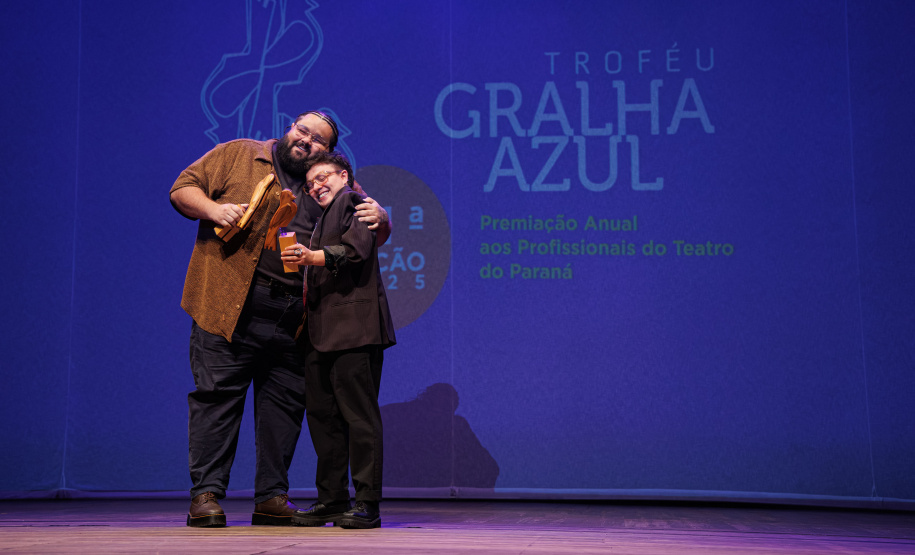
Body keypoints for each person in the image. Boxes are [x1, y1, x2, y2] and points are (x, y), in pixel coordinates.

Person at [170, 111, 390, 528]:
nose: (306, 141)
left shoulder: (329, 179)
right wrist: (214, 210)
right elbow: (182, 189)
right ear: (289, 128)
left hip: (296, 315)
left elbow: (370, 226)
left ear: (329, 152)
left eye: (318, 140)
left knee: (284, 407)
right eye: (302, 130)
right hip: (229, 305)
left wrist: (384, 218)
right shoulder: (240, 154)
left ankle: (271, 496)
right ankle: (206, 495)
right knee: (217, 399)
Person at [280, 151, 395, 529]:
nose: (316, 186)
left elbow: (358, 249)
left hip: (355, 330)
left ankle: (366, 503)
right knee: (324, 419)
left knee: (358, 416)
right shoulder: (319, 218)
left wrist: (312, 257)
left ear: (344, 176)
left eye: (324, 177)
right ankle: (331, 500)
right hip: (321, 333)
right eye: (311, 183)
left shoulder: (355, 201)